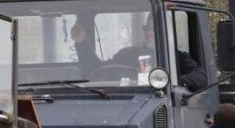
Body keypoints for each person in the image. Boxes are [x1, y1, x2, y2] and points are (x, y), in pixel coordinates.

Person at [71, 17, 208, 91]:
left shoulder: (176, 57)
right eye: (146, 28)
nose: (149, 33)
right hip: (122, 100)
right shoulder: (127, 54)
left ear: (166, 32)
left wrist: (167, 81)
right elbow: (97, 70)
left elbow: (201, 76)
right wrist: (82, 43)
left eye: (153, 29)